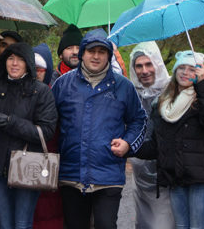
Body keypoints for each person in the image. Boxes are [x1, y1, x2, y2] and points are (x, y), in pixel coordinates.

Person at [52, 29, 147, 229]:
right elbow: (48, 120)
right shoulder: (63, 84)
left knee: (105, 225)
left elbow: (139, 120)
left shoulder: (123, 86)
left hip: (108, 175)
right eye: (91, 51)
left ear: (108, 56)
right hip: (71, 174)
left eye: (101, 51)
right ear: (82, 53)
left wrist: (128, 143)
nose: (96, 56)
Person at [134, 50, 204, 229]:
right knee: (181, 226)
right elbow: (156, 145)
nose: (185, 72)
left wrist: (203, 84)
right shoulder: (163, 102)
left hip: (200, 177)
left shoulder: (202, 99)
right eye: (181, 67)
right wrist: (129, 147)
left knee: (197, 227)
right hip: (175, 176)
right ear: (174, 71)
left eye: (191, 69)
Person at [0, 42, 58, 229]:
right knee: (4, 224)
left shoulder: (41, 92)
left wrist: (11, 122)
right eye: (10, 58)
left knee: (22, 224)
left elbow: (47, 131)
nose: (14, 63)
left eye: (20, 59)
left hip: (28, 167)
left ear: (28, 64)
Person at [127, 42, 174, 229]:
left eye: (149, 64)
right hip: (141, 174)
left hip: (169, 174)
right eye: (139, 66)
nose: (144, 70)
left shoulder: (174, 89)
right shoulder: (131, 93)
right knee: (145, 223)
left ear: (158, 64)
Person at [32, 43, 63, 229]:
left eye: (40, 69)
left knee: (51, 214)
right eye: (31, 68)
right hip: (24, 165)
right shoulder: (19, 93)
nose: (35, 73)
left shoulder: (56, 94)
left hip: (51, 164)